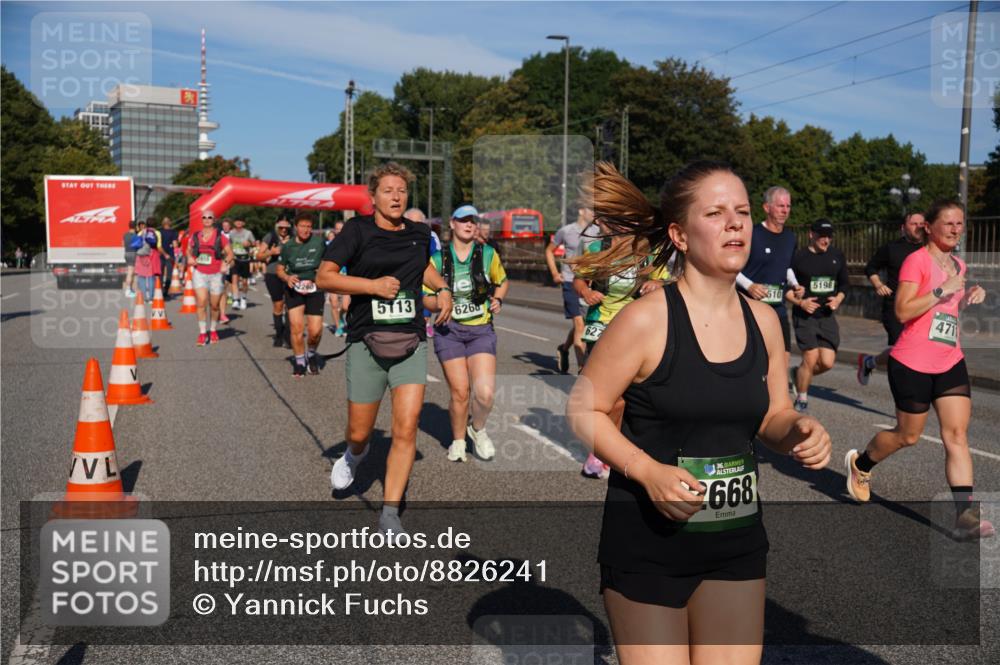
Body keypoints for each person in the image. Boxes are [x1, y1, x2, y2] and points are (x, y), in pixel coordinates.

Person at [566, 161, 831, 662]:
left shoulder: (765, 322)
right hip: (648, 544)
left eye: (743, 212)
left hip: (735, 542)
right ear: (680, 235)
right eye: (715, 212)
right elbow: (583, 408)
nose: (735, 223)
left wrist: (797, 428)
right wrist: (647, 472)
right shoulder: (646, 320)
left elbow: (772, 416)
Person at [316, 162, 452, 539]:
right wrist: (372, 287)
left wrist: (441, 288)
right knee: (360, 432)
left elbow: (423, 267)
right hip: (365, 341)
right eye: (388, 190)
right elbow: (324, 276)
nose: (396, 196)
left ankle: (390, 511)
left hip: (410, 340)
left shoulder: (420, 233)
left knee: (406, 429)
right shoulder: (356, 230)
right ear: (373, 196)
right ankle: (354, 455)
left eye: (402, 191)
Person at [846, 200, 993, 541]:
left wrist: (969, 293)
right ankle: (862, 465)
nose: (957, 229)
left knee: (956, 436)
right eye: (949, 223)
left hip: (949, 360)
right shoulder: (916, 261)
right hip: (912, 362)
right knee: (907, 436)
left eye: (960, 223)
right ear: (929, 226)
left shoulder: (958, 263)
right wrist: (943, 289)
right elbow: (902, 310)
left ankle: (964, 515)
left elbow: (947, 308)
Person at [572, 218, 669, 479]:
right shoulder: (596, 249)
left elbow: (666, 280)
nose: (623, 226)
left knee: (630, 397)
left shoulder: (648, 250)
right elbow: (578, 280)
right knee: (608, 399)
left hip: (634, 327)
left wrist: (656, 285)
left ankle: (618, 448)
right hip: (600, 324)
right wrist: (585, 292)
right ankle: (601, 450)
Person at [423, 205, 509, 463]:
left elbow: (502, 281)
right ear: (452, 224)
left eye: (473, 221)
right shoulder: (438, 259)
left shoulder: (487, 254)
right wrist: (441, 303)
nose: (469, 225)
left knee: (484, 393)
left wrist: (498, 299)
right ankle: (458, 440)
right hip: (448, 330)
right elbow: (426, 298)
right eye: (463, 220)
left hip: (480, 329)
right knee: (460, 391)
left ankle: (478, 429)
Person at [736, 186, 804, 385]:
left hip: (778, 310)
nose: (785, 210)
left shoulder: (790, 238)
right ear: (767, 207)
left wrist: (796, 284)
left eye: (788, 206)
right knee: (753, 361)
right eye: (780, 205)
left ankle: (776, 409)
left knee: (782, 361)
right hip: (750, 307)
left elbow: (787, 267)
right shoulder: (752, 234)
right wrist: (749, 286)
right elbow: (733, 267)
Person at [857, 211, 927, 385]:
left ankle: (869, 362)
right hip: (896, 307)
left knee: (910, 349)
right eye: (913, 224)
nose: (918, 227)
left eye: (921, 224)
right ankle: (907, 392)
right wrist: (878, 284)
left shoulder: (929, 249)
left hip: (921, 308)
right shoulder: (892, 248)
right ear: (903, 228)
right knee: (903, 348)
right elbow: (871, 268)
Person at [787, 219, 849, 412]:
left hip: (827, 316)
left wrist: (838, 299)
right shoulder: (798, 257)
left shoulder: (836, 255)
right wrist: (801, 302)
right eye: (822, 235)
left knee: (827, 363)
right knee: (811, 357)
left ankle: (798, 374)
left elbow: (844, 284)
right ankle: (802, 399)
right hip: (805, 316)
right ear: (811, 235)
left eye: (829, 236)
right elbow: (785, 287)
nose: (826, 240)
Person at [546, 206, 599, 374]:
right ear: (581, 210)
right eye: (591, 210)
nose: (594, 213)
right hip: (570, 281)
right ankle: (582, 368)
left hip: (591, 284)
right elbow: (549, 251)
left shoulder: (598, 231)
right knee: (578, 323)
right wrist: (555, 273)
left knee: (582, 324)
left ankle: (564, 348)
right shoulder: (566, 231)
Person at [277, 214, 327, 376]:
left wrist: (323, 271)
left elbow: (329, 261)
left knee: (315, 331)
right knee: (296, 328)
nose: (306, 230)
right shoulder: (288, 246)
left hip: (314, 288)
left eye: (309, 226)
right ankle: (299, 361)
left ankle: (311, 354)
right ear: (296, 227)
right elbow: (280, 268)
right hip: (294, 289)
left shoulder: (319, 242)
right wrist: (287, 277)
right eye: (303, 226)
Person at [185, 210, 234, 346]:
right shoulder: (196, 235)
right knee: (201, 303)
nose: (207, 219)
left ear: (214, 220)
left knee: (214, 306)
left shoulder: (220, 236)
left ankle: (212, 330)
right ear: (202, 220)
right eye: (204, 217)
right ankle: (202, 332)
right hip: (199, 272)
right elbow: (188, 249)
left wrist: (225, 263)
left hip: (216, 274)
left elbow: (230, 253)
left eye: (209, 217)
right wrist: (189, 257)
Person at [405, 207, 441, 338]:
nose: (414, 226)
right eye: (411, 222)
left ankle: (425, 325)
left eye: (418, 223)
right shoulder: (396, 235)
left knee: (424, 307)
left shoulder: (431, 236)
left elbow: (437, 259)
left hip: (423, 278)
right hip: (403, 280)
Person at [259, 218, 293, 347]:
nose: (284, 230)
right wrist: (271, 252)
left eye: (286, 228)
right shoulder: (270, 237)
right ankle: (279, 335)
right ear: (276, 226)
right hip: (273, 274)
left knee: (290, 306)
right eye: (281, 227)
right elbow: (259, 256)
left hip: (291, 275)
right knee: (278, 305)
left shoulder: (295, 237)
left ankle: (289, 336)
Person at [228, 218, 256, 311]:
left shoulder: (248, 233)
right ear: (234, 223)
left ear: (243, 223)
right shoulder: (231, 233)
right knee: (234, 280)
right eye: (237, 221)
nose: (238, 222)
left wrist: (249, 244)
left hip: (245, 259)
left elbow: (254, 243)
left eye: (240, 221)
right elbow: (228, 245)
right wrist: (230, 256)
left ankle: (243, 298)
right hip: (235, 258)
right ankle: (236, 300)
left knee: (244, 282)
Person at [159, 217, 178, 297]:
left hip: (160, 255)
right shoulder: (173, 232)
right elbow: (175, 245)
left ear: (163, 223)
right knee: (169, 274)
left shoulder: (159, 232)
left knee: (160, 273)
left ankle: (160, 290)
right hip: (170, 255)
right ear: (170, 223)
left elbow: (158, 245)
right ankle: (166, 291)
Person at [122, 222, 138, 297]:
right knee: (131, 272)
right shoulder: (135, 236)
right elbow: (137, 246)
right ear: (135, 227)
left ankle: (130, 289)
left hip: (126, 253)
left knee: (129, 271)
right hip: (133, 253)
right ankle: (128, 291)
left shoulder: (125, 234)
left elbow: (122, 244)